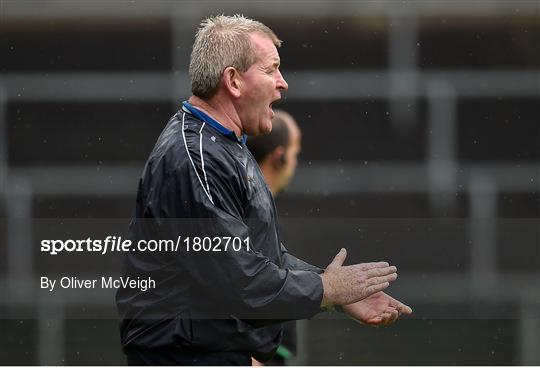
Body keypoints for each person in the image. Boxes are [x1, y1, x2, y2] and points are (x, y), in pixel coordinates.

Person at [116, 14, 412, 366]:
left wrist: (331, 290)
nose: (283, 83)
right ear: (234, 81)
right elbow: (239, 283)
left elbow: (257, 258)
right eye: (272, 69)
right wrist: (326, 289)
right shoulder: (195, 159)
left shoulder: (225, 143)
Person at [247, 110, 303, 366]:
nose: (296, 163)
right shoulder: (249, 211)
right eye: (295, 154)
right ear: (279, 157)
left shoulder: (256, 206)